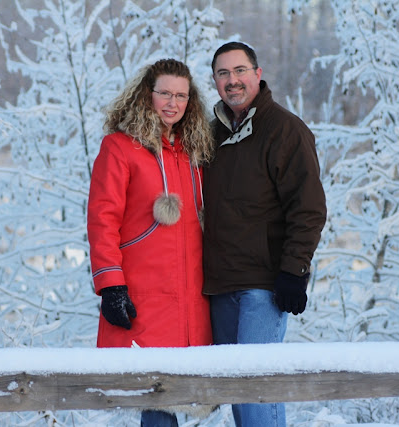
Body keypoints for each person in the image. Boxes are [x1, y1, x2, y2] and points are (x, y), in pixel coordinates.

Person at [203, 42, 327, 427]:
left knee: (257, 394)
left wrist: (295, 270)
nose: (232, 80)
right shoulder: (210, 135)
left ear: (257, 74)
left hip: (263, 287)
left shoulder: (285, 130)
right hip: (218, 286)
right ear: (214, 81)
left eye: (240, 70)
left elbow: (308, 207)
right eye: (223, 73)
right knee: (239, 398)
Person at [87, 58, 214, 427]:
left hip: (192, 300)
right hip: (143, 298)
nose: (173, 103)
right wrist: (111, 284)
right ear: (147, 94)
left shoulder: (195, 152)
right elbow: (102, 219)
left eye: (181, 96)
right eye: (165, 94)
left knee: (184, 398)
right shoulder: (119, 147)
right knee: (156, 400)